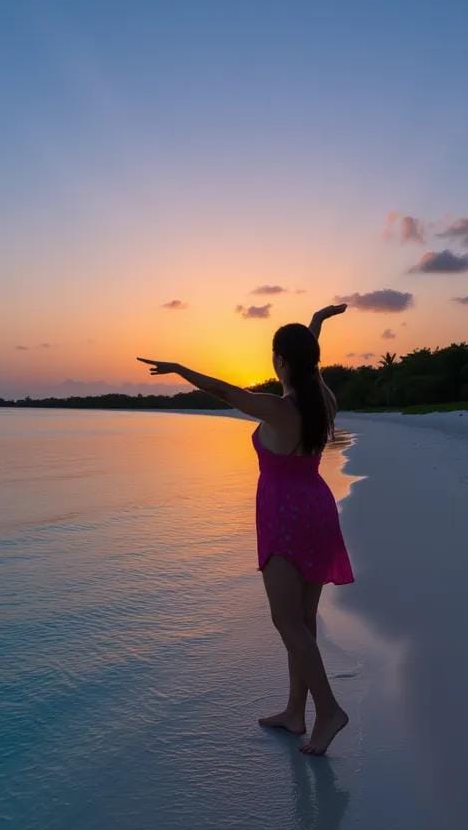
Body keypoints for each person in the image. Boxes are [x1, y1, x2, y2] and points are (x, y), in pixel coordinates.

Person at [137, 303, 354, 756]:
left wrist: (181, 369)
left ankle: (329, 710)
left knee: (286, 621)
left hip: (285, 517)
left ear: (280, 361)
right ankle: (297, 713)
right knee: (304, 622)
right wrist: (315, 324)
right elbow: (308, 369)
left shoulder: (278, 410)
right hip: (317, 509)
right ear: (313, 360)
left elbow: (225, 391)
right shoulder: (323, 402)